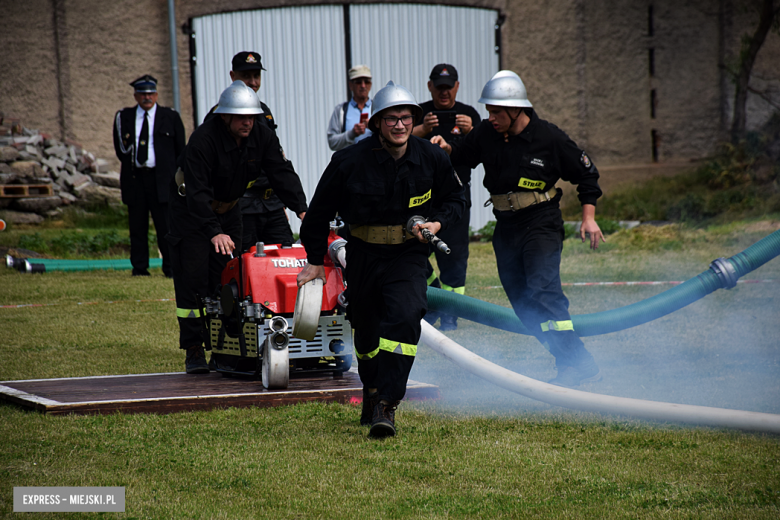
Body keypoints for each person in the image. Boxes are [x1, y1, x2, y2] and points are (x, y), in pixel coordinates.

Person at [298, 81, 466, 437]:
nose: (400, 125)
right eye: (391, 119)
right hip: (363, 255)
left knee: (405, 317)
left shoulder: (431, 157)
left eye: (406, 118)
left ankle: (387, 404)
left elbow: (457, 200)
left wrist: (437, 222)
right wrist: (315, 260)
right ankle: (372, 390)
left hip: (408, 255)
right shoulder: (349, 161)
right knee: (367, 330)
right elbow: (317, 214)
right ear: (377, 123)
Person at [431, 71, 606, 388]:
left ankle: (579, 363)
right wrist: (446, 147)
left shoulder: (549, 138)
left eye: (497, 112)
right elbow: (464, 153)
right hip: (506, 226)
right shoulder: (487, 133)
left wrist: (588, 216)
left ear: (517, 110)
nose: (491, 118)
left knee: (543, 290)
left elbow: (587, 174)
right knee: (522, 301)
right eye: (489, 111)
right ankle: (570, 361)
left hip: (541, 223)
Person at [167, 81, 308, 374]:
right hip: (192, 214)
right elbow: (197, 193)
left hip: (230, 212)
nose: (248, 122)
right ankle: (193, 349)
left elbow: (281, 172)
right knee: (193, 284)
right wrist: (213, 231)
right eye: (241, 117)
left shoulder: (261, 135)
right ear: (224, 117)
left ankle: (226, 350)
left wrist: (303, 209)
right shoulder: (203, 140)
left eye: (252, 116)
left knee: (231, 281)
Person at [412, 64, 481, 331]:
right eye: (439, 87)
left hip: (457, 197)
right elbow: (399, 143)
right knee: (416, 252)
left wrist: (471, 131)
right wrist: (420, 130)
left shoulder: (469, 115)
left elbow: (480, 155)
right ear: (430, 86)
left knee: (454, 256)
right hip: (423, 198)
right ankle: (432, 301)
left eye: (448, 86)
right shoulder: (418, 114)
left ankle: (451, 314)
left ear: (457, 86)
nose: (444, 92)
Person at [204, 51, 297, 249]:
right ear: (232, 76)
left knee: (284, 257)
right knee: (245, 265)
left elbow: (277, 159)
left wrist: (284, 203)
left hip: (271, 204)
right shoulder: (220, 114)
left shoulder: (264, 112)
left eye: (256, 76)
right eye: (246, 76)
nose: (253, 82)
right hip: (242, 206)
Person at [113, 74, 185, 277]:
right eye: (142, 94)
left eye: (151, 93)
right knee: (137, 227)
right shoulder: (124, 117)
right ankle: (139, 268)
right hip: (136, 179)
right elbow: (120, 150)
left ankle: (171, 267)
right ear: (135, 96)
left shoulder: (170, 117)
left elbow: (181, 150)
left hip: (162, 181)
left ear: (157, 94)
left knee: (167, 227)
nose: (147, 97)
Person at [327, 65, 373, 151]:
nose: (363, 86)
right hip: (350, 164)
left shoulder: (378, 108)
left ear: (370, 85)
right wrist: (351, 134)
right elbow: (332, 143)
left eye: (366, 82)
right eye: (358, 82)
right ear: (350, 85)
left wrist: (375, 126)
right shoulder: (341, 110)